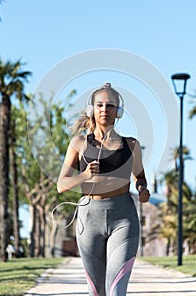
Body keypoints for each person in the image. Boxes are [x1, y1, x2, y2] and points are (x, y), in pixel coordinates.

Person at [57, 82, 150, 296]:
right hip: (88, 218)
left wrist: (143, 189)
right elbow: (61, 185)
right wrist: (84, 175)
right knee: (96, 291)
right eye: (100, 105)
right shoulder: (78, 143)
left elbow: (140, 177)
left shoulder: (131, 145)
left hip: (123, 217)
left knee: (116, 289)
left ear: (119, 111)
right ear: (92, 109)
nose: (104, 110)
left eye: (110, 105)